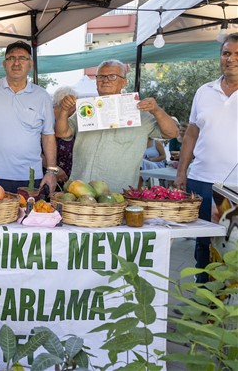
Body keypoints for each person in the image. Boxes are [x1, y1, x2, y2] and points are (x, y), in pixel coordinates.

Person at [55, 59, 178, 193]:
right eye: (101, 76)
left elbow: (172, 133)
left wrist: (156, 110)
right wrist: (64, 110)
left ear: (124, 82)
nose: (105, 80)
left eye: (112, 76)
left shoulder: (138, 111)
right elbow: (62, 133)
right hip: (79, 189)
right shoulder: (87, 109)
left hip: (116, 193)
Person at [175, 33, 238, 283]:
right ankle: (203, 300)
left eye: (237, 54)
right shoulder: (204, 91)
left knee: (231, 247)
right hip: (201, 180)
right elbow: (191, 133)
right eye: (226, 53)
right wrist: (182, 173)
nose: (231, 59)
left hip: (235, 187)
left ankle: (227, 307)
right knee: (203, 244)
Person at [0, 41, 57, 194]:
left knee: (30, 218)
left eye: (22, 58)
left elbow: (48, 135)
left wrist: (51, 171)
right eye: (11, 58)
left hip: (30, 177)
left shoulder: (42, 96)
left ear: (30, 64)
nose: (16, 63)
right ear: (4, 64)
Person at [52, 86, 77, 186]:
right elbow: (36, 150)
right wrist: (54, 168)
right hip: (49, 175)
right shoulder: (47, 118)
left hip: (67, 177)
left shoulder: (70, 119)